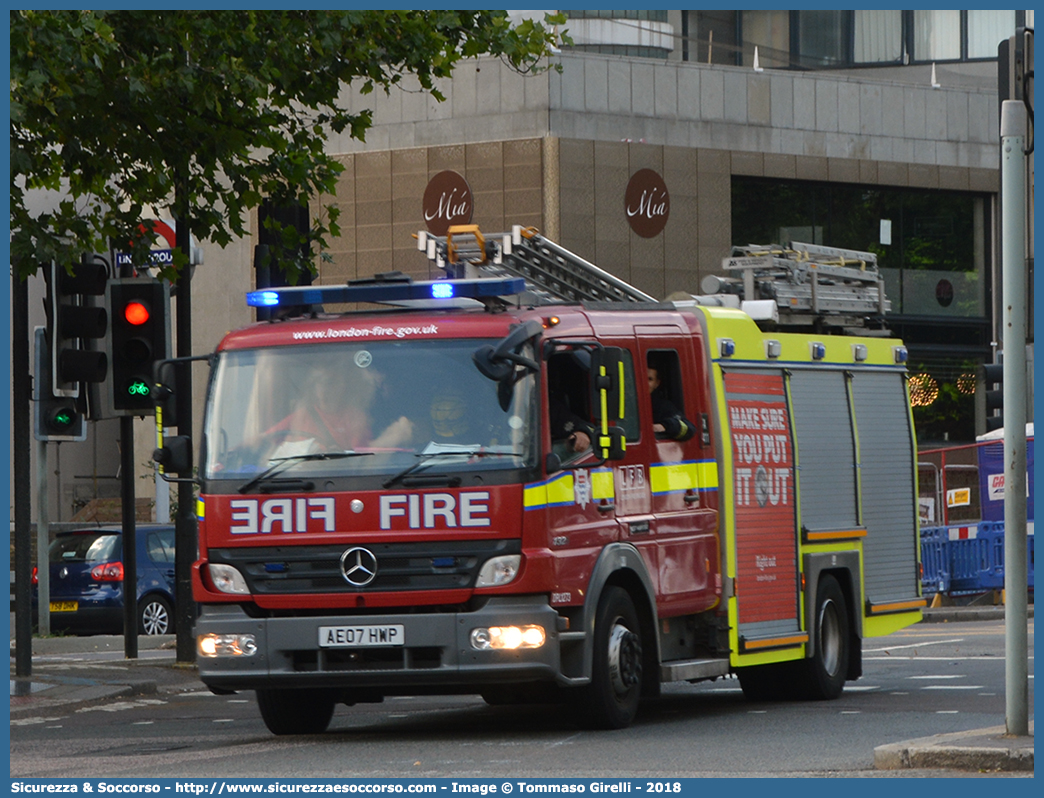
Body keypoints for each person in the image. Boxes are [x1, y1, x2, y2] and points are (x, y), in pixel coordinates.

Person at [265, 363, 413, 453]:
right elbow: (265, 440)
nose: (324, 388)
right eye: (319, 382)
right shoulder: (302, 414)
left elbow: (361, 457)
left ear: (342, 387)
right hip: (299, 481)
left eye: (330, 383)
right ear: (313, 387)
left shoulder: (355, 417)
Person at [648, 366, 695, 442]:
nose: (644, 383)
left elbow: (689, 429)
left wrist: (665, 426)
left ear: (657, 383)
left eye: (649, 379)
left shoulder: (663, 407)